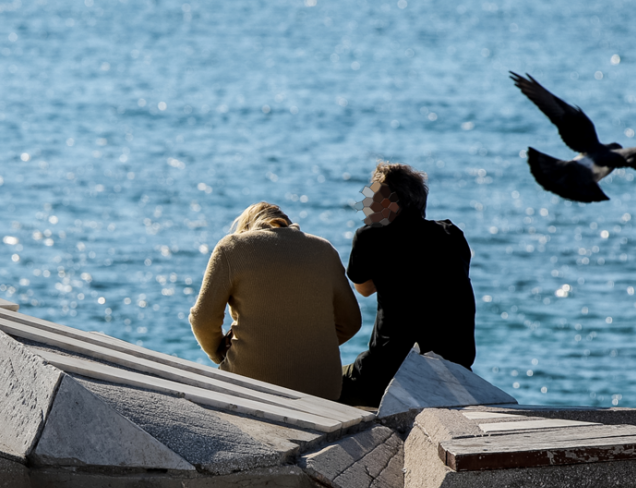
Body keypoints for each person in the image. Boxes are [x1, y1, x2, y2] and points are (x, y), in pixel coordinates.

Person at [189, 202, 362, 400]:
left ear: (246, 228)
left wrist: (219, 354)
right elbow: (351, 322)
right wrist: (304, 346)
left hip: (252, 385)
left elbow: (202, 320)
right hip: (323, 391)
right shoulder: (324, 250)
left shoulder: (232, 248)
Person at [339, 162, 476, 407]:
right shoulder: (452, 235)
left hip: (389, 378)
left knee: (316, 382)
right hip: (455, 375)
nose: (366, 204)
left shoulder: (370, 235)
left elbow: (364, 288)